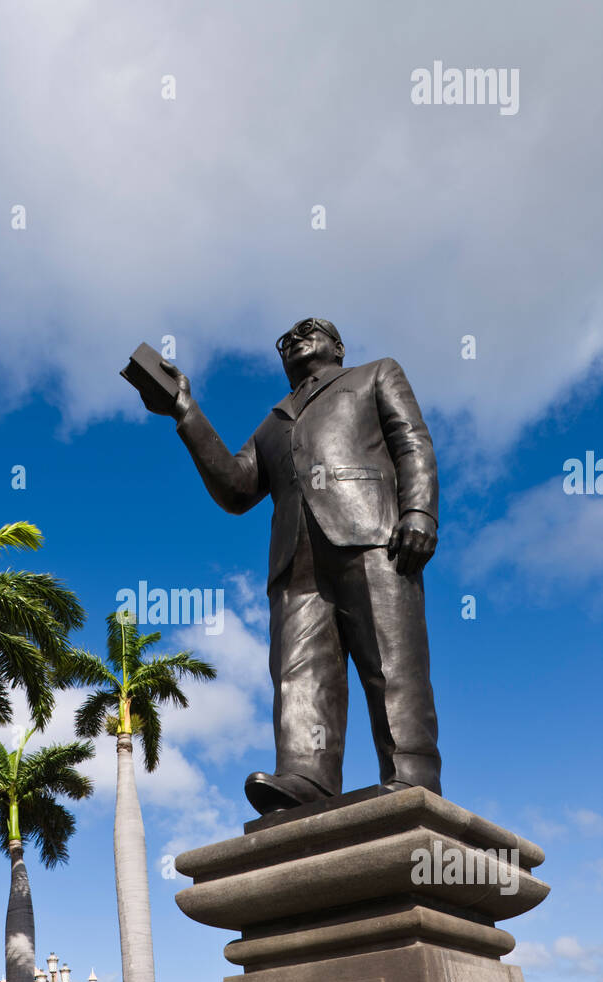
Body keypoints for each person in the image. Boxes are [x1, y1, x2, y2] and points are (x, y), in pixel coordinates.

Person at [147, 319, 441, 814]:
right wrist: (185, 411)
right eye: (285, 340)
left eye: (310, 330)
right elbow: (237, 489)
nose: (295, 339)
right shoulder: (272, 423)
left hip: (372, 536)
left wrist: (420, 510)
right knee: (298, 672)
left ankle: (411, 774)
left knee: (392, 662)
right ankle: (307, 774)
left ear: (338, 346)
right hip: (295, 561)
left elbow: (412, 442)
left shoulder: (375, 374)